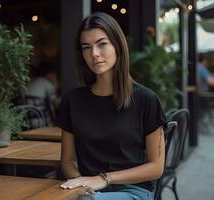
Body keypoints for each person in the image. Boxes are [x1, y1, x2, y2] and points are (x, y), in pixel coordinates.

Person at [58, 12, 166, 200]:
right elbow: (67, 160)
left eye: (102, 44)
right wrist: (82, 182)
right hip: (88, 192)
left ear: (118, 46)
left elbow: (156, 167)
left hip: (133, 191)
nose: (94, 54)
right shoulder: (72, 100)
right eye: (86, 47)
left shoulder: (146, 100)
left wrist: (104, 179)